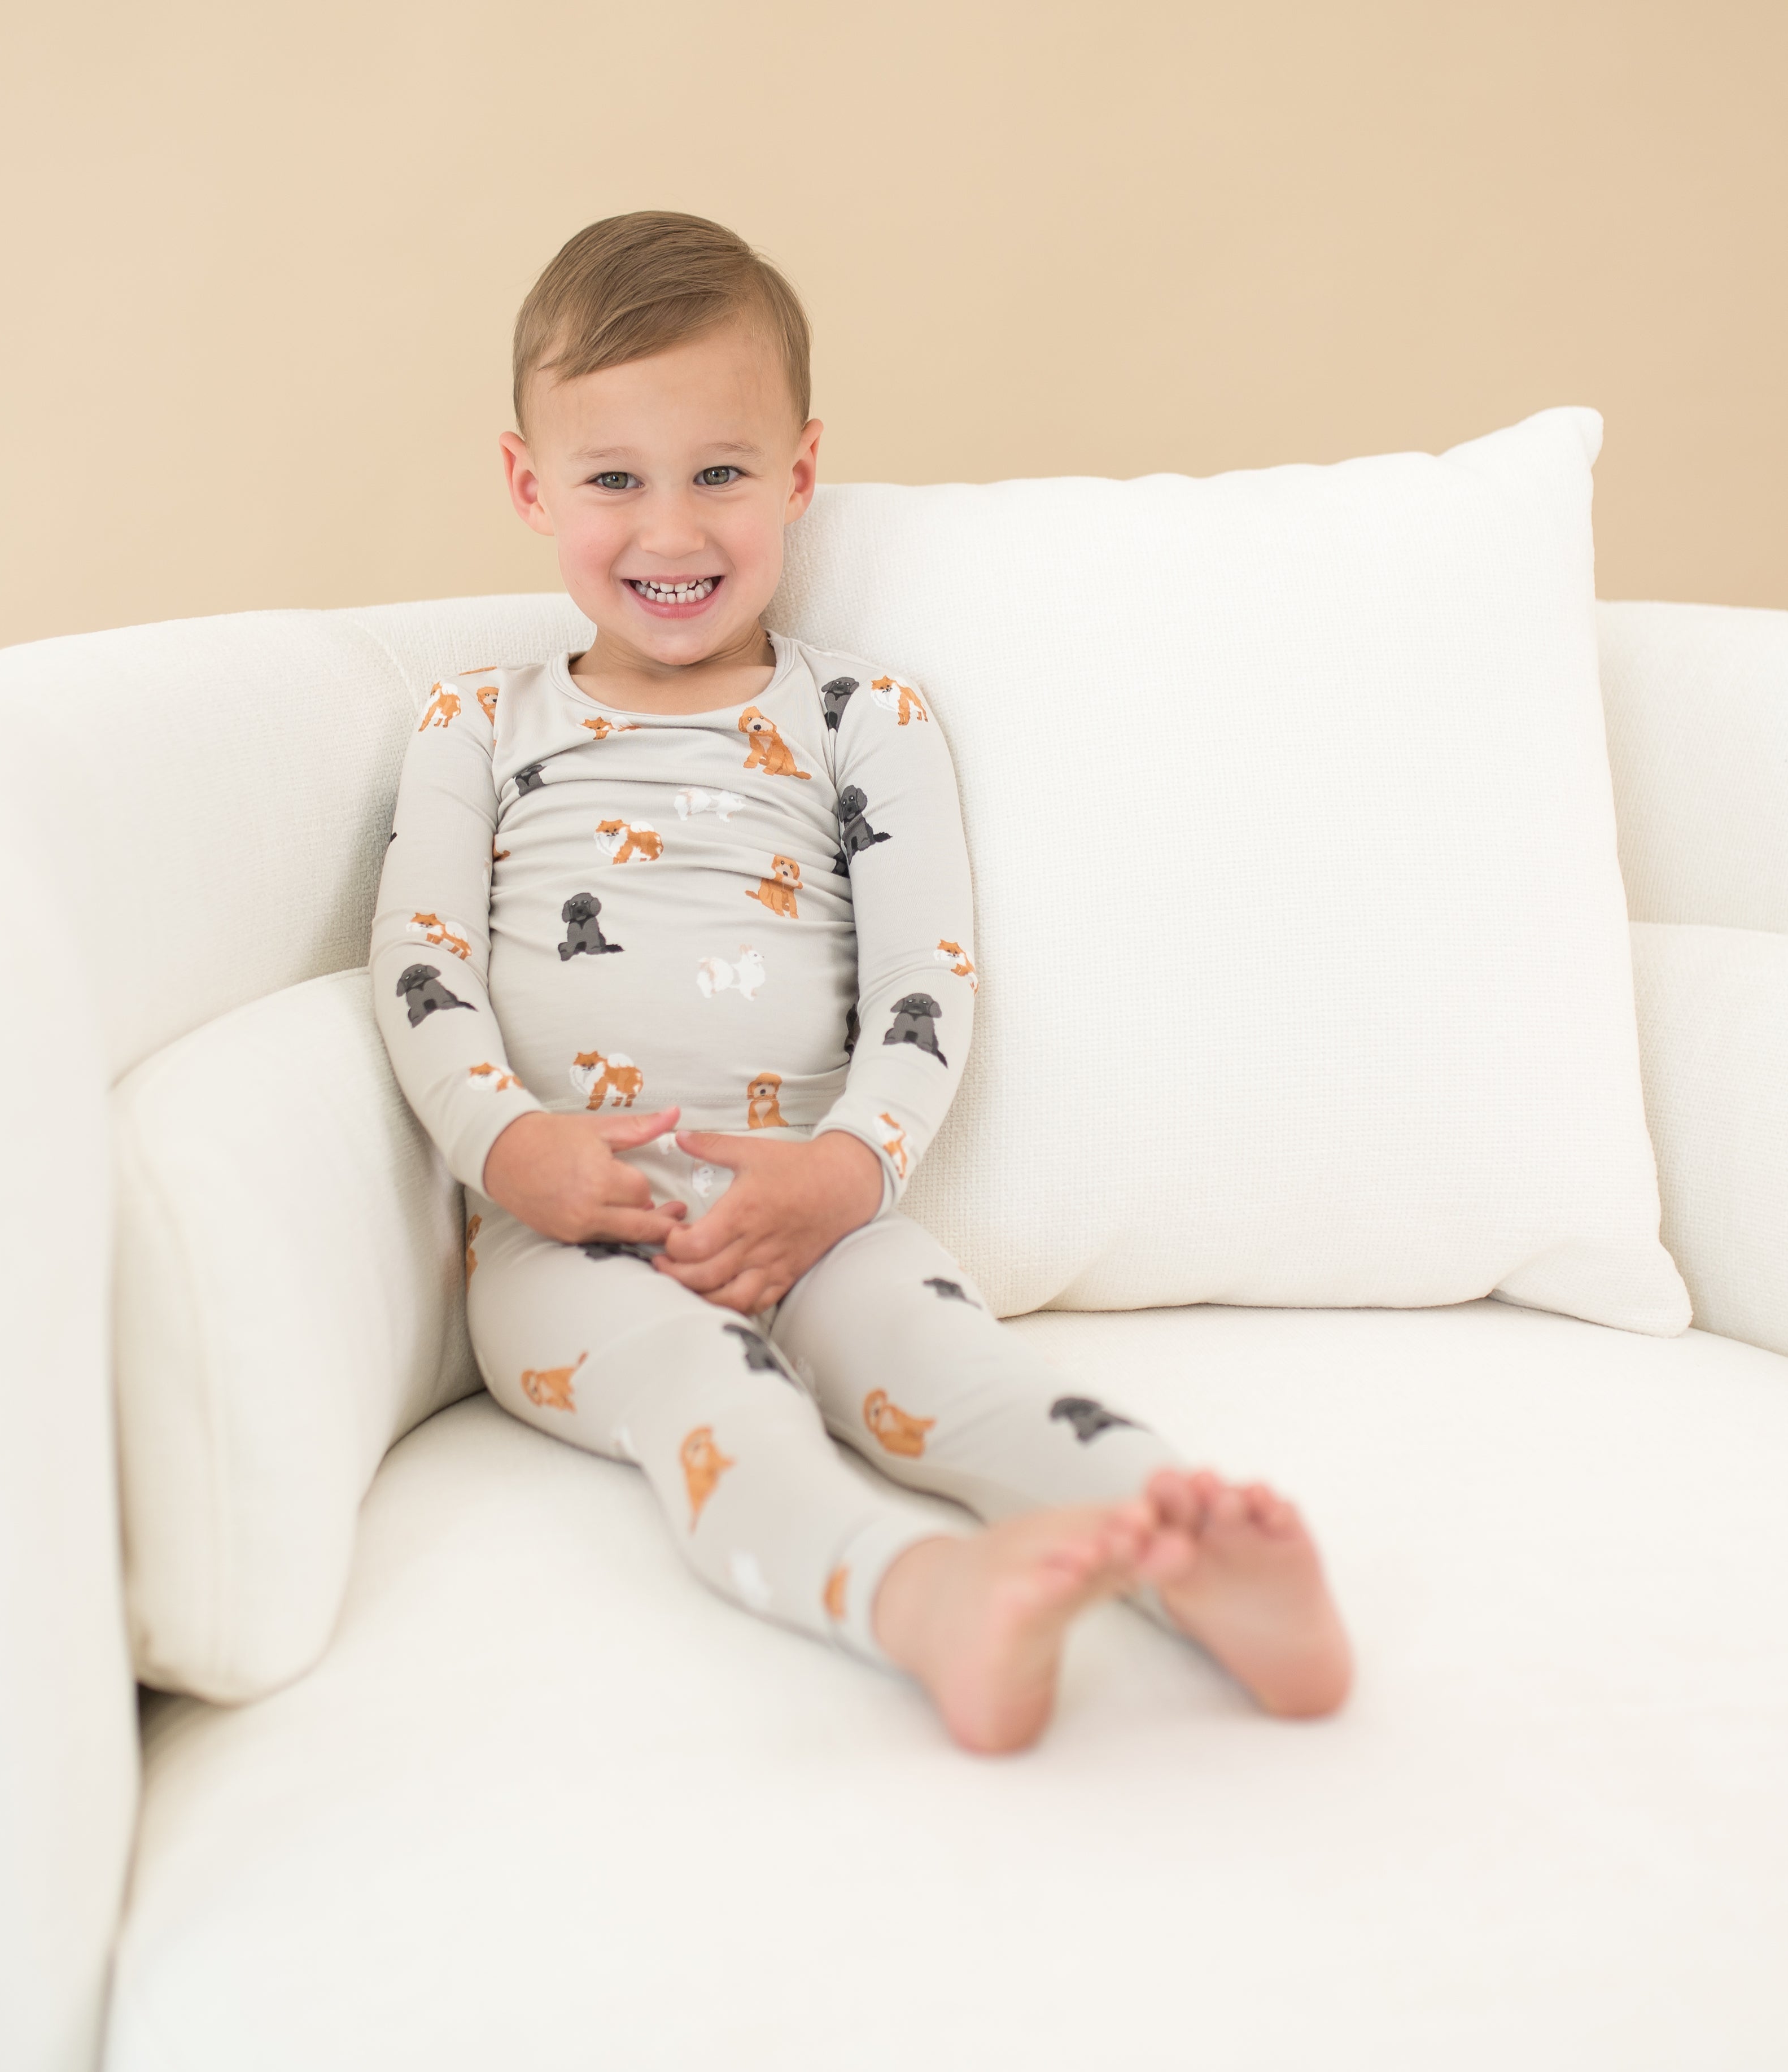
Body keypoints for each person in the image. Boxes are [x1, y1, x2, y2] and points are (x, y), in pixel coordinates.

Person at [370, 211, 1352, 1752]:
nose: (671, 530)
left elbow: (922, 984)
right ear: (528, 485)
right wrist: (511, 1149)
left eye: (722, 473)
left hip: (822, 1213)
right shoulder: (475, 727)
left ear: (801, 472)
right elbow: (422, 970)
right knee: (711, 1397)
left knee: (950, 1360)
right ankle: (917, 1598)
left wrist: (848, 1169)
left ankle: (1192, 1551)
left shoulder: (865, 718)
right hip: (570, 1242)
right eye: (614, 478)